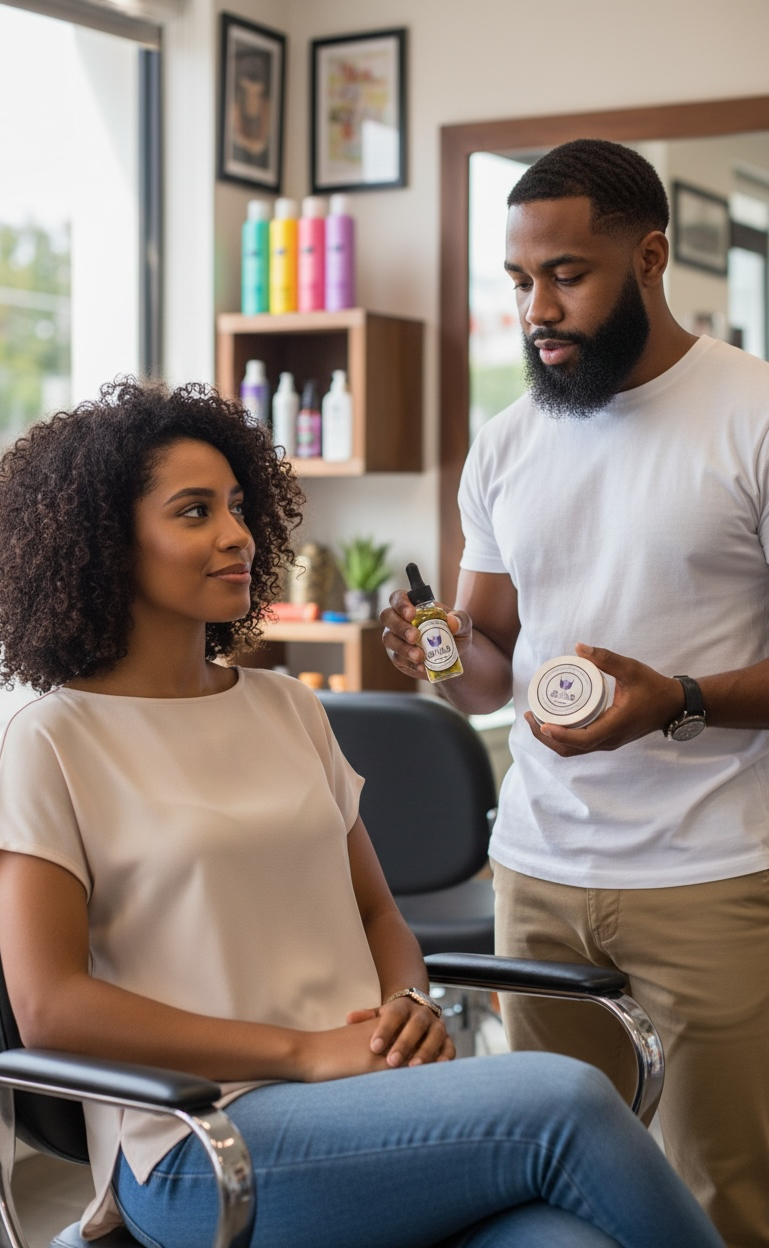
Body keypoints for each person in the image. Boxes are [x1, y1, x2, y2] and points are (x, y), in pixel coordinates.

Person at [0, 378, 723, 1248]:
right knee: (568, 1099)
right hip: (200, 1141)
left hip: (369, 1100)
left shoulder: (287, 706)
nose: (237, 534)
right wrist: (302, 1051)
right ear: (107, 543)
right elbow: (52, 1007)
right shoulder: (53, 741)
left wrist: (406, 1000)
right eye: (194, 512)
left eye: (238, 507)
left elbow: (376, 915)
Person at [381, 138, 769, 1248]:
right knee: (558, 1193)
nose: (537, 310)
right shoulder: (506, 444)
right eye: (518, 280)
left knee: (724, 1194)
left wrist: (678, 698)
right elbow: (488, 668)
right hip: (539, 873)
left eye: (566, 275)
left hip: (711, 873)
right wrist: (437, 657)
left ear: (649, 259)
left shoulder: (750, 413)